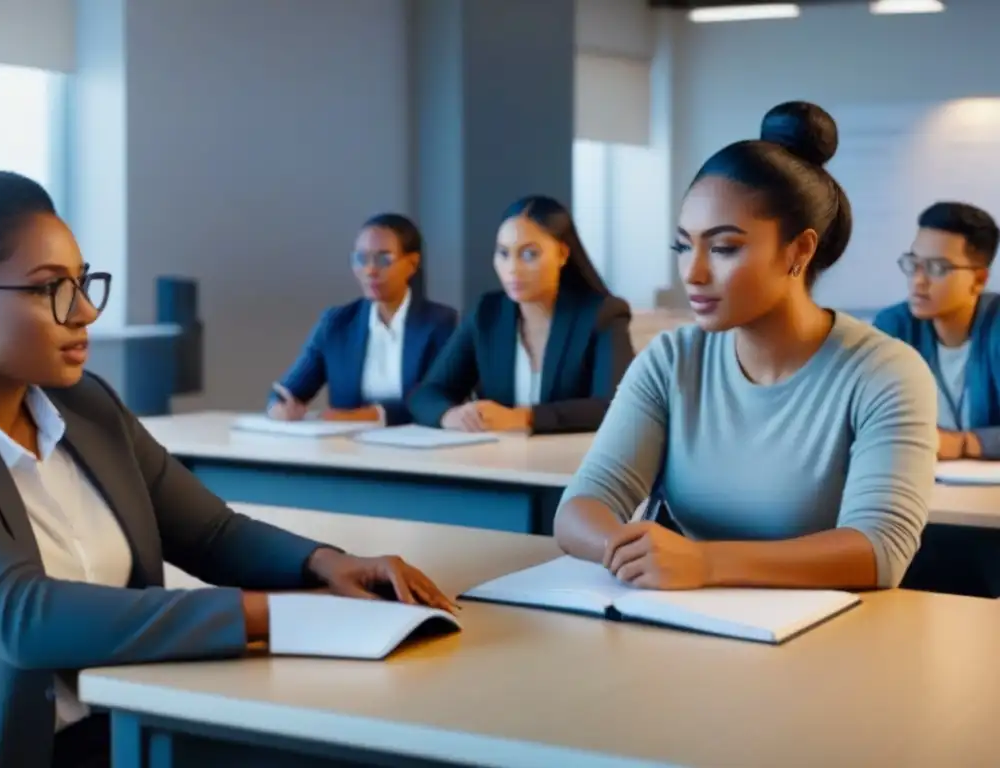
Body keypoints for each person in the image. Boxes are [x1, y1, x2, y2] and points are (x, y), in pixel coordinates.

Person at [0, 172, 455, 768]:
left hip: (135, 724)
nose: (85, 312)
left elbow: (209, 532)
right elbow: (22, 615)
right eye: (50, 288)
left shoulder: (87, 404)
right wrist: (274, 615)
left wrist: (326, 565)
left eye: (82, 282)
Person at [554, 102, 938, 591]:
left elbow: (879, 549)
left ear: (799, 250)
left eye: (723, 248)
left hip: (832, 641)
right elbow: (580, 509)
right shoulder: (671, 360)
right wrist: (635, 555)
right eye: (682, 246)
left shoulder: (885, 372)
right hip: (686, 623)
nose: (692, 273)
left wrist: (706, 563)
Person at [407, 195, 634, 435]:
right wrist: (450, 415)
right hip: (496, 462)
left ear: (562, 254)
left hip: (574, 463)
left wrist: (521, 417)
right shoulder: (487, 313)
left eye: (529, 255)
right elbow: (427, 393)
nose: (512, 268)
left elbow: (611, 405)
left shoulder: (603, 314)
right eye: (504, 253)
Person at [269, 213, 457, 425]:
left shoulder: (440, 323)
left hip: (418, 451)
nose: (370, 270)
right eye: (361, 259)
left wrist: (372, 415)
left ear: (412, 264)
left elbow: (439, 399)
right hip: (348, 450)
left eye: (384, 259)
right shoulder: (337, 323)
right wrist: (279, 407)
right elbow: (288, 391)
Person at [874, 202, 1000, 460]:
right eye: (913, 264)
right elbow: (868, 421)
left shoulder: (995, 327)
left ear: (978, 280)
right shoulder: (894, 327)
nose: (919, 280)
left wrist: (965, 444)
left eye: (937, 268)